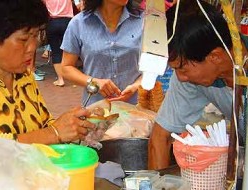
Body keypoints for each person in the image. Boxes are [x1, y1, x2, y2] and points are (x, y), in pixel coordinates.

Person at [148, 0, 248, 169]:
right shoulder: (191, 74)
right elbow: (161, 137)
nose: (180, 77)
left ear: (215, 57)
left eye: (183, 69)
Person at [0, 0, 95, 144]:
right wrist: (53, 133)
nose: (32, 47)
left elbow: (44, 122)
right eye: (23, 39)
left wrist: (72, 125)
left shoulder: (24, 76)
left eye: (36, 35)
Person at [61, 0, 143, 106]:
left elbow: (155, 65)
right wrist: (93, 82)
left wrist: (136, 86)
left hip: (136, 109)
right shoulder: (79, 23)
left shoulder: (143, 21)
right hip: (96, 110)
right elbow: (66, 68)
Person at [44, 0, 74, 87]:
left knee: (56, 51)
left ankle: (60, 79)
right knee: (69, 50)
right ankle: (70, 74)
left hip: (52, 22)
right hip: (68, 22)